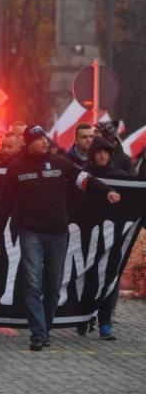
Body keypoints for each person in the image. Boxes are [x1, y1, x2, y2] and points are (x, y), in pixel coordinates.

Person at [0, 125, 121, 351]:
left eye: (45, 138)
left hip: (58, 233)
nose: (44, 142)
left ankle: (45, 328)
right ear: (28, 143)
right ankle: (38, 334)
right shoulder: (16, 168)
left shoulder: (60, 163)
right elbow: (5, 204)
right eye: (38, 139)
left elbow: (84, 179)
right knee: (32, 284)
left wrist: (106, 190)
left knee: (53, 286)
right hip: (30, 233)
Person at [75, 136, 130, 340]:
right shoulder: (84, 175)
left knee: (110, 278)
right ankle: (84, 317)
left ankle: (105, 322)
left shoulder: (121, 176)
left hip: (114, 236)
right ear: (92, 154)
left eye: (106, 152)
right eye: (98, 152)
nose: (102, 156)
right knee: (87, 277)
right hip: (87, 235)